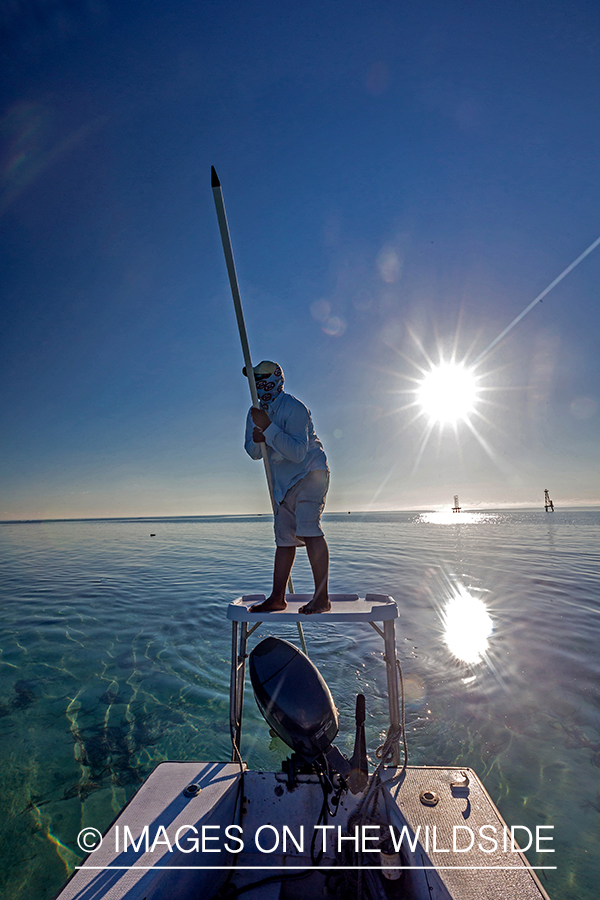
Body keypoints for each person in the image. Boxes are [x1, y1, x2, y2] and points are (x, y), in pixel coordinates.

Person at [243, 361, 330, 614]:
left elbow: (298, 453)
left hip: (311, 474)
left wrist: (268, 429)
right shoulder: (255, 412)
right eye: (253, 380)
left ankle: (322, 598)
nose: (256, 384)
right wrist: (259, 438)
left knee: (309, 528)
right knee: (283, 539)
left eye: (260, 379)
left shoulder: (295, 408)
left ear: (275, 379)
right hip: (282, 484)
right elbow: (253, 452)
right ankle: (277, 598)